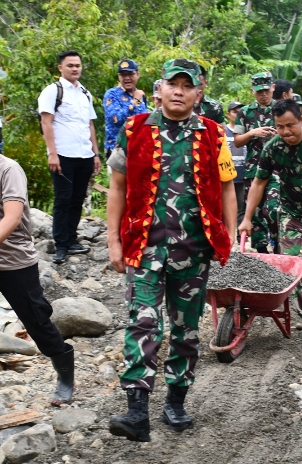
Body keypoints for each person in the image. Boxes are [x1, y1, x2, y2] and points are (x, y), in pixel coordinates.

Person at [106, 59, 237, 442]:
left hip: (194, 251)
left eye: (187, 85)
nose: (179, 91)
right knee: (143, 323)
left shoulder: (214, 134)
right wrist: (114, 240)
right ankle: (136, 412)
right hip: (145, 248)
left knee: (185, 330)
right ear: (159, 88)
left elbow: (228, 187)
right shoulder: (134, 130)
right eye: (172, 84)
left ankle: (176, 400)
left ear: (199, 92)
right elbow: (117, 186)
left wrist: (227, 238)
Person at [0, 113, 75, 412]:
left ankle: (66, 375)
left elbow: (13, 217)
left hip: (15, 266)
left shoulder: (8, 170)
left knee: (38, 325)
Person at [239, 99, 302, 328]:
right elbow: (259, 182)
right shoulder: (272, 147)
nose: (286, 131)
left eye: (290, 125)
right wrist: (246, 218)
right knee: (292, 261)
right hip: (291, 211)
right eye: (280, 126)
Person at [38, 51, 100, 265]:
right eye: (70, 65)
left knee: (77, 199)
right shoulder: (52, 91)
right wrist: (52, 154)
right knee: (63, 200)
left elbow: (90, 124)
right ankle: (61, 245)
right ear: (60, 68)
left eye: (78, 65)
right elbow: (46, 122)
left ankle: (72, 240)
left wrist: (96, 154)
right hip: (63, 154)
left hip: (84, 154)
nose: (75, 69)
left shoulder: (85, 93)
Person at [233, 72, 277, 254]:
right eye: (259, 91)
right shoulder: (245, 113)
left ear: (273, 88)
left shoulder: (282, 110)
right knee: (255, 213)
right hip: (253, 169)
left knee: (274, 208)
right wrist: (253, 133)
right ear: (253, 91)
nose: (263, 94)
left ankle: (279, 245)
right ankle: (261, 253)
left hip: (277, 169)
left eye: (266, 90)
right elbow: (237, 141)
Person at [103, 60, 148, 161]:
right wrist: (134, 102)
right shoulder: (112, 94)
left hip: (139, 150)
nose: (127, 78)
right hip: (118, 150)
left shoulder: (141, 95)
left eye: (130, 74)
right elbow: (117, 119)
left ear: (138, 74)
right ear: (119, 76)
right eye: (123, 75)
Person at [224, 101, 247, 226]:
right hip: (227, 174)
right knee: (225, 206)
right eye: (234, 112)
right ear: (228, 114)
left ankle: (240, 237)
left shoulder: (246, 131)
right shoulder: (222, 130)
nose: (237, 114)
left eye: (240, 112)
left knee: (241, 206)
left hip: (242, 174)